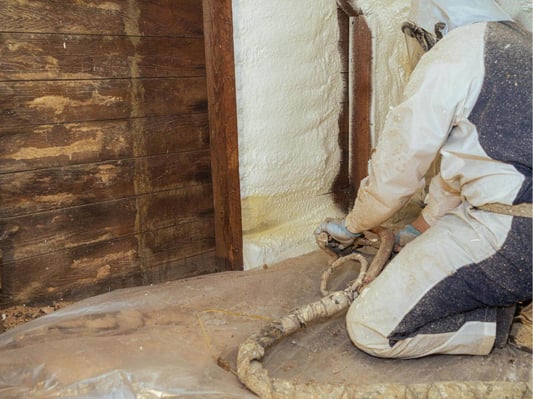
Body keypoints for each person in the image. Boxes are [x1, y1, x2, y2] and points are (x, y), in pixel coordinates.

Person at [316, 0, 532, 358]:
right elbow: (469, 163)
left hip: (512, 239)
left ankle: (497, 323)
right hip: (516, 224)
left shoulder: (453, 54)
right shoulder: (521, 47)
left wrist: (355, 224)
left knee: (371, 328)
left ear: (438, 27)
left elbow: (397, 170)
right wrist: (418, 229)